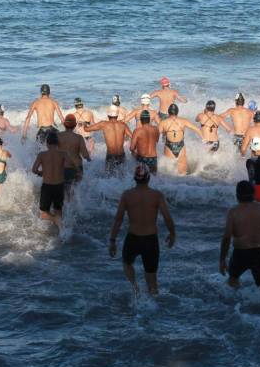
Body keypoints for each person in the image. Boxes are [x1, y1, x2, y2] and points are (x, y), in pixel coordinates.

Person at [109, 164, 176, 296]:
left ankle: (135, 288)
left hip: (133, 238)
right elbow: (167, 217)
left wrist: (112, 240)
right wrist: (172, 233)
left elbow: (118, 219)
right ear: (148, 178)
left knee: (127, 264)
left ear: (134, 178)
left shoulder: (127, 195)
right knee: (152, 280)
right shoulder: (157, 195)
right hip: (150, 240)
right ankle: (153, 306)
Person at [219, 181, 260, 289]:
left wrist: (222, 260)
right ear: (254, 194)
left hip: (242, 252)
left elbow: (227, 237)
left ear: (237, 195)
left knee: (232, 281)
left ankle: (234, 304)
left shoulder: (234, 212)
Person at [32, 132, 71, 228]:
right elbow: (71, 166)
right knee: (58, 211)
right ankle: (61, 232)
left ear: (47, 143)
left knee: (43, 213)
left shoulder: (42, 154)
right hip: (59, 186)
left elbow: (34, 169)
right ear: (57, 143)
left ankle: (54, 220)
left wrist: (41, 173)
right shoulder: (63, 154)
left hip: (47, 186)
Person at [84, 106, 132, 174]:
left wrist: (84, 124)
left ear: (108, 114)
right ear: (117, 115)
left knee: (109, 177)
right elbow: (132, 137)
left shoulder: (103, 124)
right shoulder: (123, 125)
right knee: (123, 176)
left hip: (111, 156)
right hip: (121, 155)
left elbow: (86, 129)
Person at [158, 104, 203, 175]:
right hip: (181, 146)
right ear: (177, 112)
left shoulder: (163, 122)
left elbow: (156, 136)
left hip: (169, 146)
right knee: (183, 173)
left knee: (169, 174)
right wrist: (204, 139)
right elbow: (197, 129)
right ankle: (183, 184)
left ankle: (168, 184)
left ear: (168, 112)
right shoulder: (184, 121)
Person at [57, 114, 90, 197]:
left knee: (63, 191)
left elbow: (52, 151)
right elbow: (85, 154)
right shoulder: (79, 137)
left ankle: (64, 207)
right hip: (77, 168)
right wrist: (89, 160)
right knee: (74, 191)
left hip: (62, 167)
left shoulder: (58, 136)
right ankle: (74, 208)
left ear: (64, 124)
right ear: (75, 125)